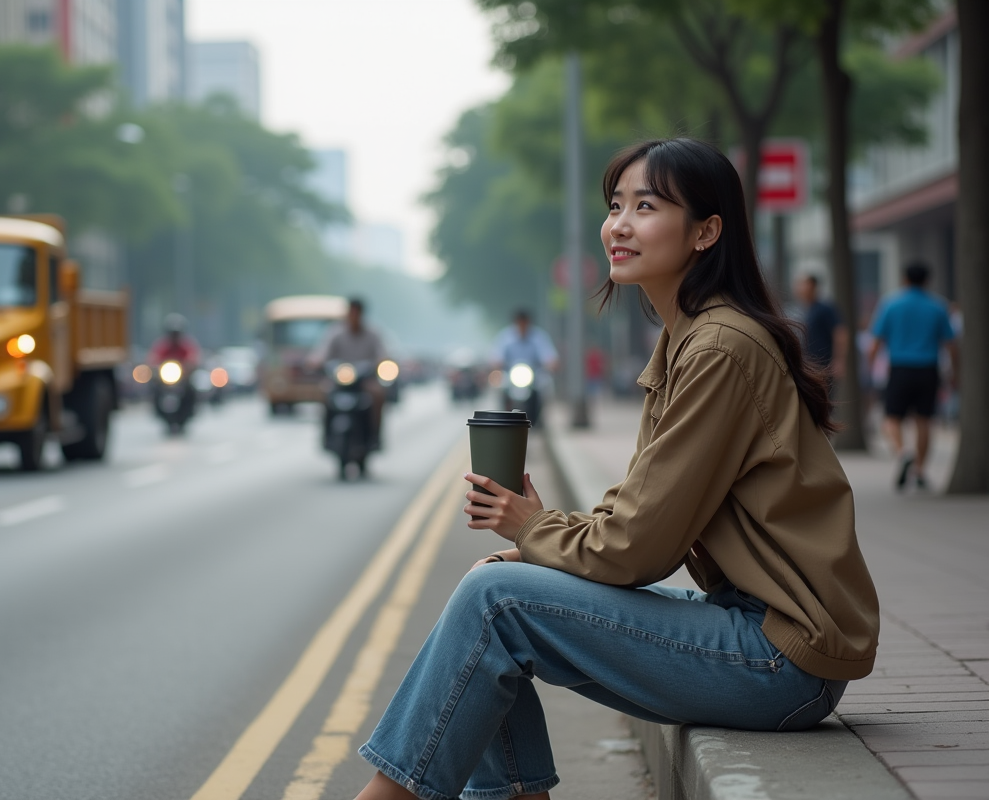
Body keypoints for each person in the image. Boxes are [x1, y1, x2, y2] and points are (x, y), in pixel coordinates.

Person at [353, 138, 879, 800]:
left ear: (706, 231)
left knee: (496, 602)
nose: (619, 224)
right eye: (616, 205)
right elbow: (637, 509)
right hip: (762, 637)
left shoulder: (719, 349)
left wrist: (535, 526)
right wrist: (532, 537)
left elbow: (637, 547)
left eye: (647, 206)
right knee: (497, 584)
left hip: (782, 660)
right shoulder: (690, 339)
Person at [867, 262, 958, 491]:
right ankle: (919, 470)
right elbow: (951, 345)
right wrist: (955, 372)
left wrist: (871, 367)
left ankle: (902, 452)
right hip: (928, 369)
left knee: (891, 418)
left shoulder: (891, 304)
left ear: (904, 279)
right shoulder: (938, 306)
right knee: (924, 421)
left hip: (899, 368)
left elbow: (875, 343)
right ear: (927, 280)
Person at [311, 298, 389, 446]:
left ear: (361, 314)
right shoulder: (335, 333)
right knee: (323, 392)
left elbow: (382, 355)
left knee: (378, 394)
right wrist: (315, 362)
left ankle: (375, 435)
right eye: (350, 313)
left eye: (356, 313)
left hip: (364, 380)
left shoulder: (373, 334)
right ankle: (326, 435)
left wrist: (382, 362)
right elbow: (321, 353)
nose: (353, 317)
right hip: (339, 380)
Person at [490, 310, 559, 425]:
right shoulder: (505, 337)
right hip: (511, 375)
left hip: (533, 375)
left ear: (529, 323)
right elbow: (496, 355)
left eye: (524, 323)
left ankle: (540, 416)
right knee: (498, 385)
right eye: (519, 323)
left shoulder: (539, 337)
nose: (522, 326)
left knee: (546, 384)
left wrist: (551, 364)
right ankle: (503, 413)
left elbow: (549, 356)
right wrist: (496, 362)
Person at [793, 274, 847, 391]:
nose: (799, 288)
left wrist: (839, 360)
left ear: (812, 286)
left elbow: (840, 333)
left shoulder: (825, 309)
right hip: (811, 364)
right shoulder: (806, 310)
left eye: (803, 284)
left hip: (824, 364)